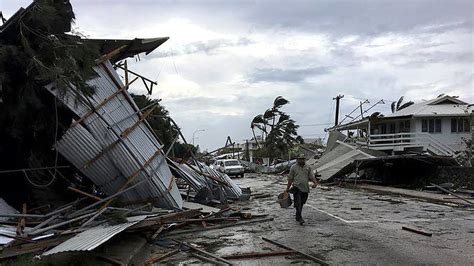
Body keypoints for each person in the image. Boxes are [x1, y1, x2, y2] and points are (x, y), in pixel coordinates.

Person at [286, 154, 318, 225]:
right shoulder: (293, 167)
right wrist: (287, 188)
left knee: (302, 202)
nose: (301, 160)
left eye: (303, 159)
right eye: (300, 159)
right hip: (296, 188)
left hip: (305, 188)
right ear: (297, 160)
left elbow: (311, 176)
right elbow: (290, 178)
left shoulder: (308, 167)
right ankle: (300, 217)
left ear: (305, 159)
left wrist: (315, 183)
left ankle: (298, 215)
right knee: (298, 203)